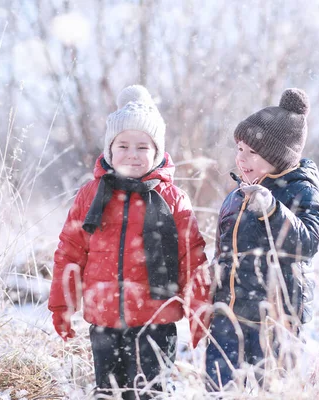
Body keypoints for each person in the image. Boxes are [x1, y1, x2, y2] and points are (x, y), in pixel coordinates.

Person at [47, 85, 209, 399]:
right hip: (103, 318)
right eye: (123, 145)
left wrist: (199, 311)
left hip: (156, 318)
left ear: (158, 152)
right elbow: (69, 253)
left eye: (142, 147)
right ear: (109, 149)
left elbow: (192, 258)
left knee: (150, 391)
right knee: (108, 392)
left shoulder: (172, 199)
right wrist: (62, 305)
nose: (132, 155)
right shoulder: (92, 195)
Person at [205, 88, 319, 390]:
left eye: (252, 153)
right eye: (239, 149)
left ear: (278, 156)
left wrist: (272, 210)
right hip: (229, 314)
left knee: (269, 387)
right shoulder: (237, 195)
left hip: (274, 319)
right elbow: (225, 247)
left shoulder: (302, 192)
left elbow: (308, 242)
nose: (241, 159)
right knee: (219, 385)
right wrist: (211, 276)